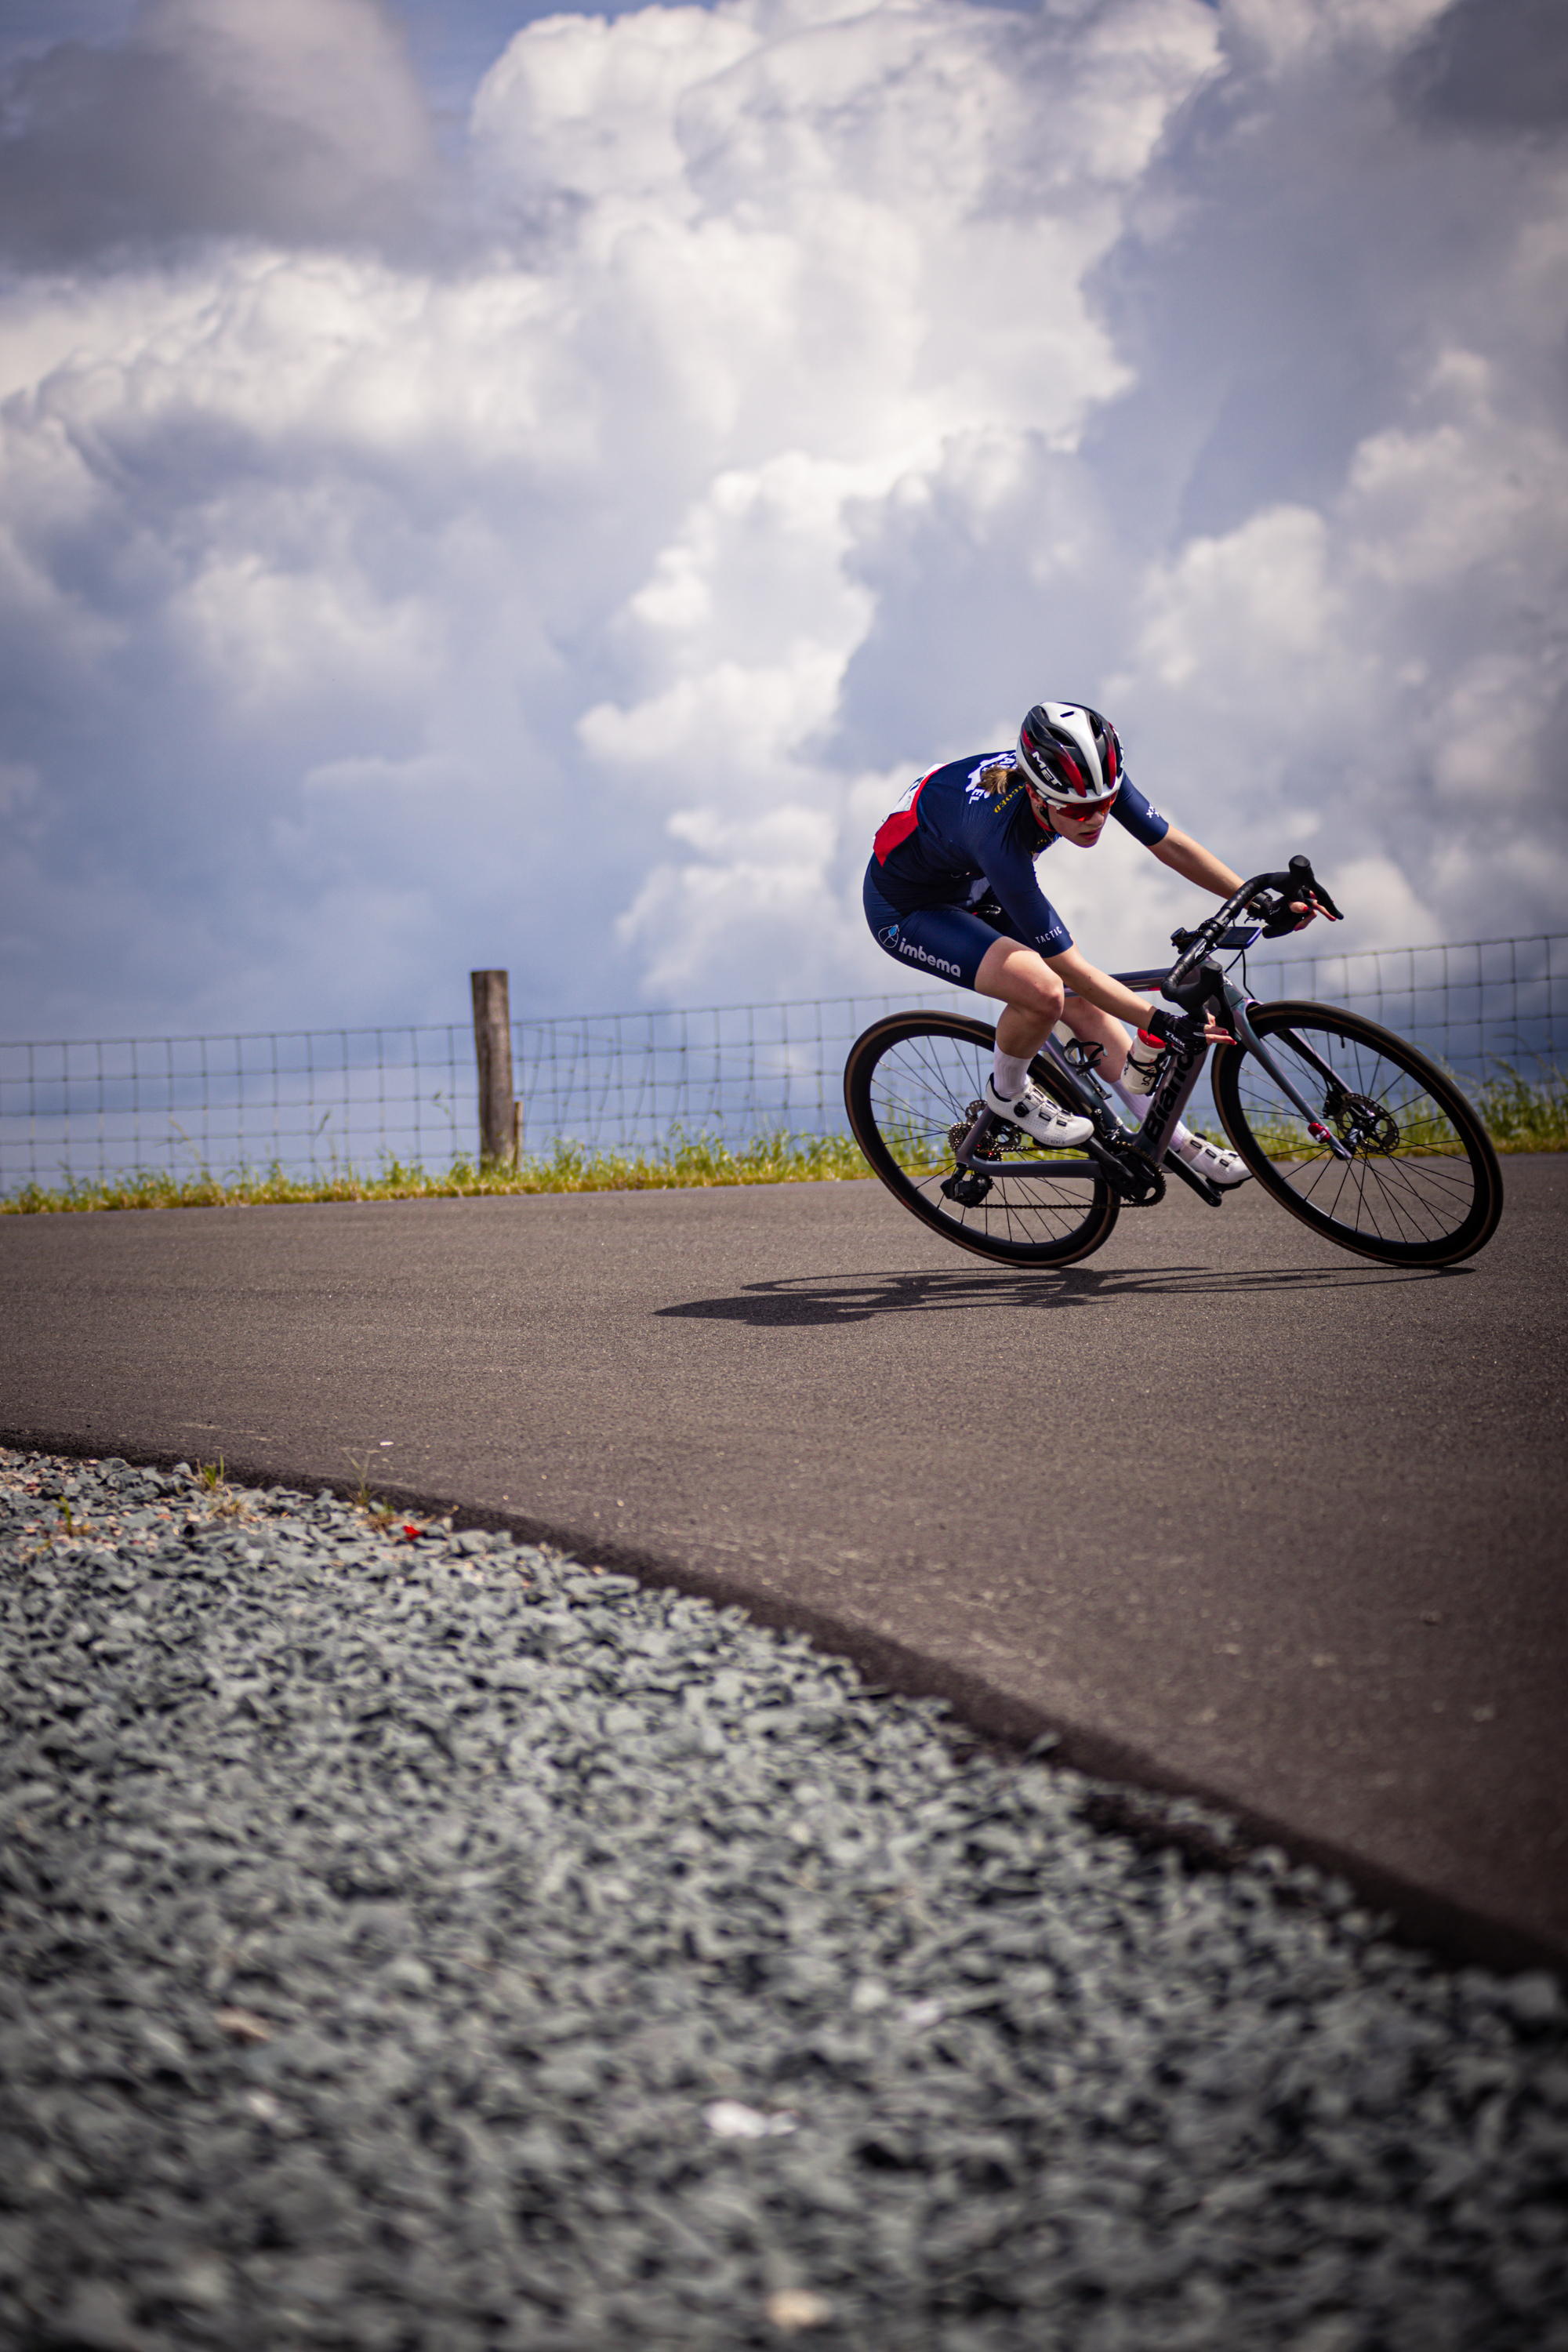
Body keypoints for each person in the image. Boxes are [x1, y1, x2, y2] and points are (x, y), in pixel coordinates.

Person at [863, 701, 1323, 1184]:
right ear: (1039, 798)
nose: (1096, 819)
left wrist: (1260, 900)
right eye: (1080, 811)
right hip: (910, 908)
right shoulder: (997, 833)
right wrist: (1160, 1022)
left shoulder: (1089, 780)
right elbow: (1072, 968)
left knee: (1080, 1006)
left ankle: (1177, 1143)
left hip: (973, 883)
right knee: (1045, 991)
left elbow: (1169, 843)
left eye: (1105, 805)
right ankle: (1010, 1094)